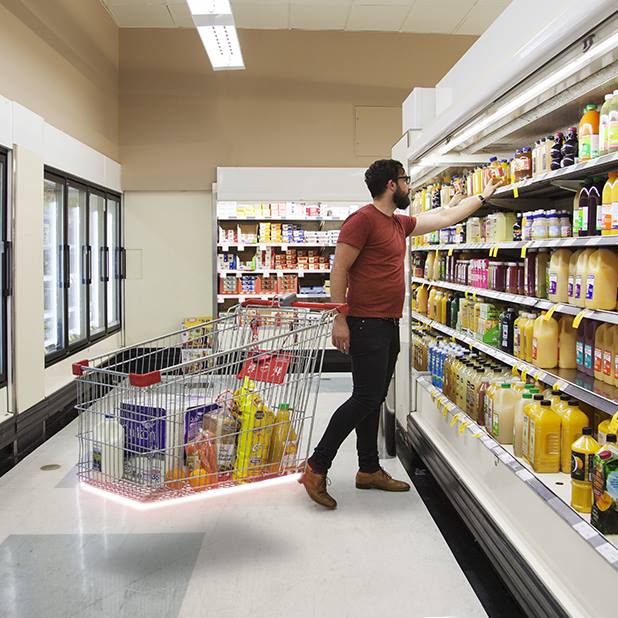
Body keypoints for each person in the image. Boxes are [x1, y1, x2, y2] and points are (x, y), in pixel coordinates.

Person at [299, 159, 503, 509]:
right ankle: (316, 467)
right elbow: (339, 270)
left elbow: (443, 218)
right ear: (391, 185)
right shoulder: (362, 220)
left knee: (374, 399)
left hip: (388, 323)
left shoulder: (398, 222)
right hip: (365, 322)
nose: (410, 186)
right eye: (406, 180)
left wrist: (481, 197)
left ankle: (368, 469)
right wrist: (339, 318)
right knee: (364, 398)